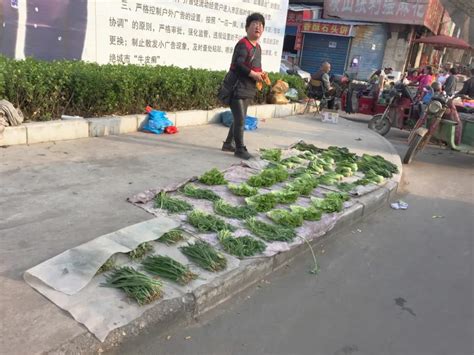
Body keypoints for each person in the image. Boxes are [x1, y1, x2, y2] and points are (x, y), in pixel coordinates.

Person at [221, 13, 265, 160]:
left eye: (260, 25)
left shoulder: (258, 48)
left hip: (248, 89)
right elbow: (239, 65)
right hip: (236, 88)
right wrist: (253, 74)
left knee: (239, 118)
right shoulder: (243, 44)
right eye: (255, 24)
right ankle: (239, 149)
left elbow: (256, 66)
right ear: (247, 28)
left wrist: (261, 75)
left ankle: (228, 143)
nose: (258, 27)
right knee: (240, 120)